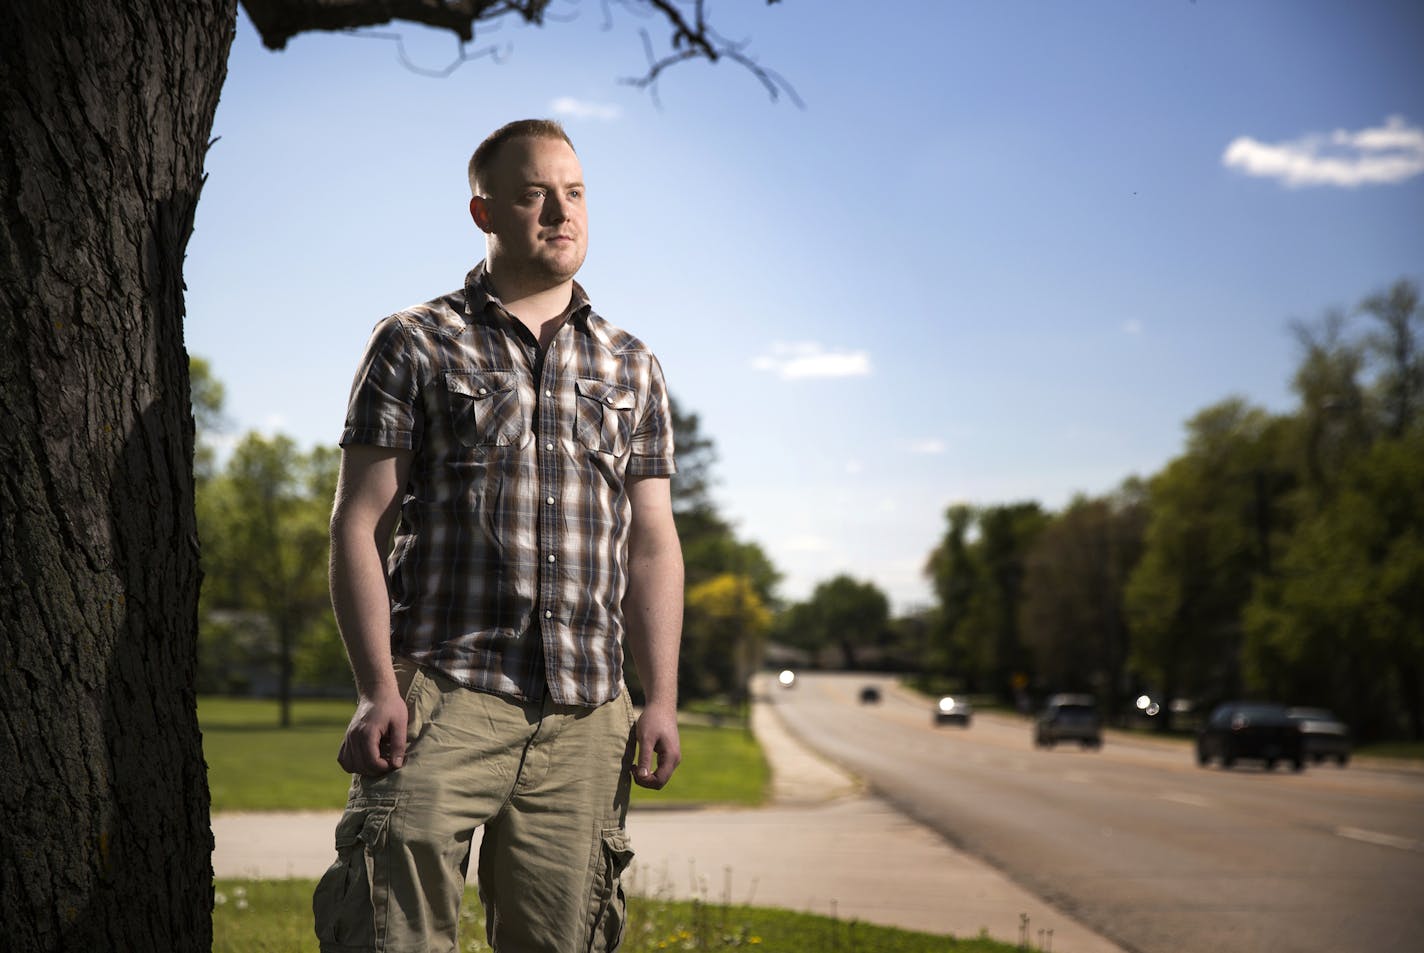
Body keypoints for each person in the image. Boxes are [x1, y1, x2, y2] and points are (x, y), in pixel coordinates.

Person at [312, 118, 685, 953]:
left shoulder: (634, 364)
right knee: (388, 933)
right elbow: (358, 521)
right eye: (533, 194)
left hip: (589, 715)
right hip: (442, 695)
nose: (562, 211)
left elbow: (653, 542)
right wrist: (379, 686)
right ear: (484, 213)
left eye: (576, 192)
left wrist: (657, 697)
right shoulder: (415, 341)